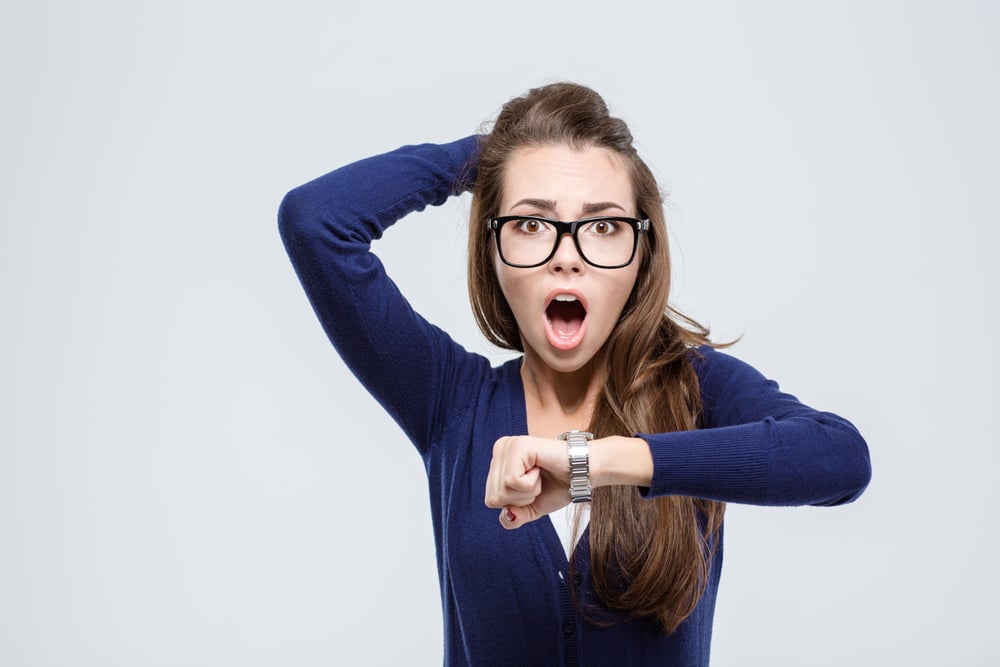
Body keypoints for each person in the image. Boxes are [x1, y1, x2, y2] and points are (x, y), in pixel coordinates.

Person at [278, 82, 871, 666]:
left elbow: (840, 458)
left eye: (604, 226)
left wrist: (597, 464)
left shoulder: (697, 388)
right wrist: (491, 154)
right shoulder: (451, 402)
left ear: (642, 254)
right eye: (532, 224)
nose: (568, 254)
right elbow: (317, 222)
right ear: (493, 248)